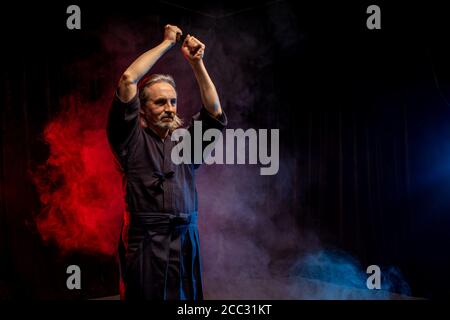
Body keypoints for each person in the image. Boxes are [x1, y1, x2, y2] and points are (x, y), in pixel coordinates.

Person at [106, 24, 227, 300]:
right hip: (146, 241)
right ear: (143, 109)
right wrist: (166, 44)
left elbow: (214, 112)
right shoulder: (129, 139)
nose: (169, 108)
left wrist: (197, 63)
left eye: (172, 101)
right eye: (160, 102)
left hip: (185, 239)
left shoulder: (186, 142)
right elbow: (127, 80)